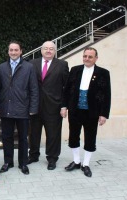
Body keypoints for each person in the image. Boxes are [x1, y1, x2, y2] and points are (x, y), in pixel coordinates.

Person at [62, 47, 111, 177]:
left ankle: (86, 164)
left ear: (96, 58)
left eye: (90, 56)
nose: (87, 59)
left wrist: (104, 114)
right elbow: (66, 90)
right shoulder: (75, 70)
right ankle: (77, 161)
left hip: (92, 112)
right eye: (85, 56)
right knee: (73, 136)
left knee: (90, 138)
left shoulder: (103, 73)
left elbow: (107, 95)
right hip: (75, 110)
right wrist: (64, 106)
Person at [0, 41, 39, 175]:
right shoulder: (1, 67)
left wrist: (33, 108)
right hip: (6, 108)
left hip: (22, 109)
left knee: (23, 138)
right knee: (7, 137)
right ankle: (8, 162)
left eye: (16, 50)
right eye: (11, 50)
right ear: (8, 52)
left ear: (21, 51)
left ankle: (23, 163)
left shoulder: (29, 67)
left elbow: (34, 89)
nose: (13, 52)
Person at [28, 41, 69, 170]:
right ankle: (33, 155)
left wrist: (64, 106)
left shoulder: (62, 65)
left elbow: (66, 87)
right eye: (46, 48)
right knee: (33, 132)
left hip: (54, 107)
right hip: (35, 106)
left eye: (51, 49)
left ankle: (52, 158)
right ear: (41, 50)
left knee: (53, 134)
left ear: (55, 51)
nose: (48, 51)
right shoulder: (32, 64)